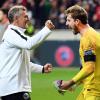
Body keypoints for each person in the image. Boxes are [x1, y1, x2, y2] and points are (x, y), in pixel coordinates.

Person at [0, 5, 55, 100]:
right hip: (14, 89)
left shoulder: (14, 34)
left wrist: (41, 69)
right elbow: (29, 44)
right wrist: (46, 29)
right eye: (25, 16)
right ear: (16, 18)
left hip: (12, 89)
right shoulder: (12, 33)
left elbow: (23, 63)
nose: (28, 19)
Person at [54, 5, 100, 100]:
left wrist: (69, 83)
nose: (66, 24)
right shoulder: (91, 34)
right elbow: (89, 64)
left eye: (69, 20)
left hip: (94, 91)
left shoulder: (88, 38)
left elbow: (90, 67)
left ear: (77, 21)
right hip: (89, 88)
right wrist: (76, 84)